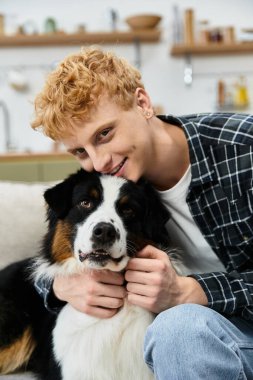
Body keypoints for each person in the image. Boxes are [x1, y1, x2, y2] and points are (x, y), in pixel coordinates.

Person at [31, 46, 253, 379]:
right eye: (81, 151)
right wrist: (61, 287)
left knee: (178, 328)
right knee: (177, 330)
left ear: (143, 103)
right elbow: (54, 251)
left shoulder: (243, 149)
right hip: (197, 335)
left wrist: (194, 291)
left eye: (104, 134)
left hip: (226, 327)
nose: (99, 161)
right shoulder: (119, 186)